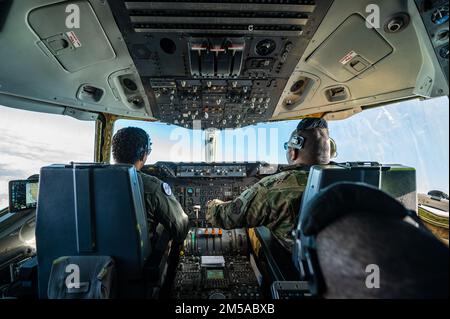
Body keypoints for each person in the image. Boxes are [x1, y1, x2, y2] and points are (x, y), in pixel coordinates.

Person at [206, 118, 331, 251]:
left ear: (293, 152)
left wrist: (212, 205)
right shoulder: (351, 178)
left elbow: (227, 217)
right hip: (335, 262)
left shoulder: (273, 188)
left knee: (257, 231)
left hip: (295, 265)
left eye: (287, 147)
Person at [112, 127, 189, 245]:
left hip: (94, 261)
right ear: (143, 155)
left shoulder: (86, 181)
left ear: (114, 153)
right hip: (138, 262)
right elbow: (181, 229)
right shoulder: (152, 186)